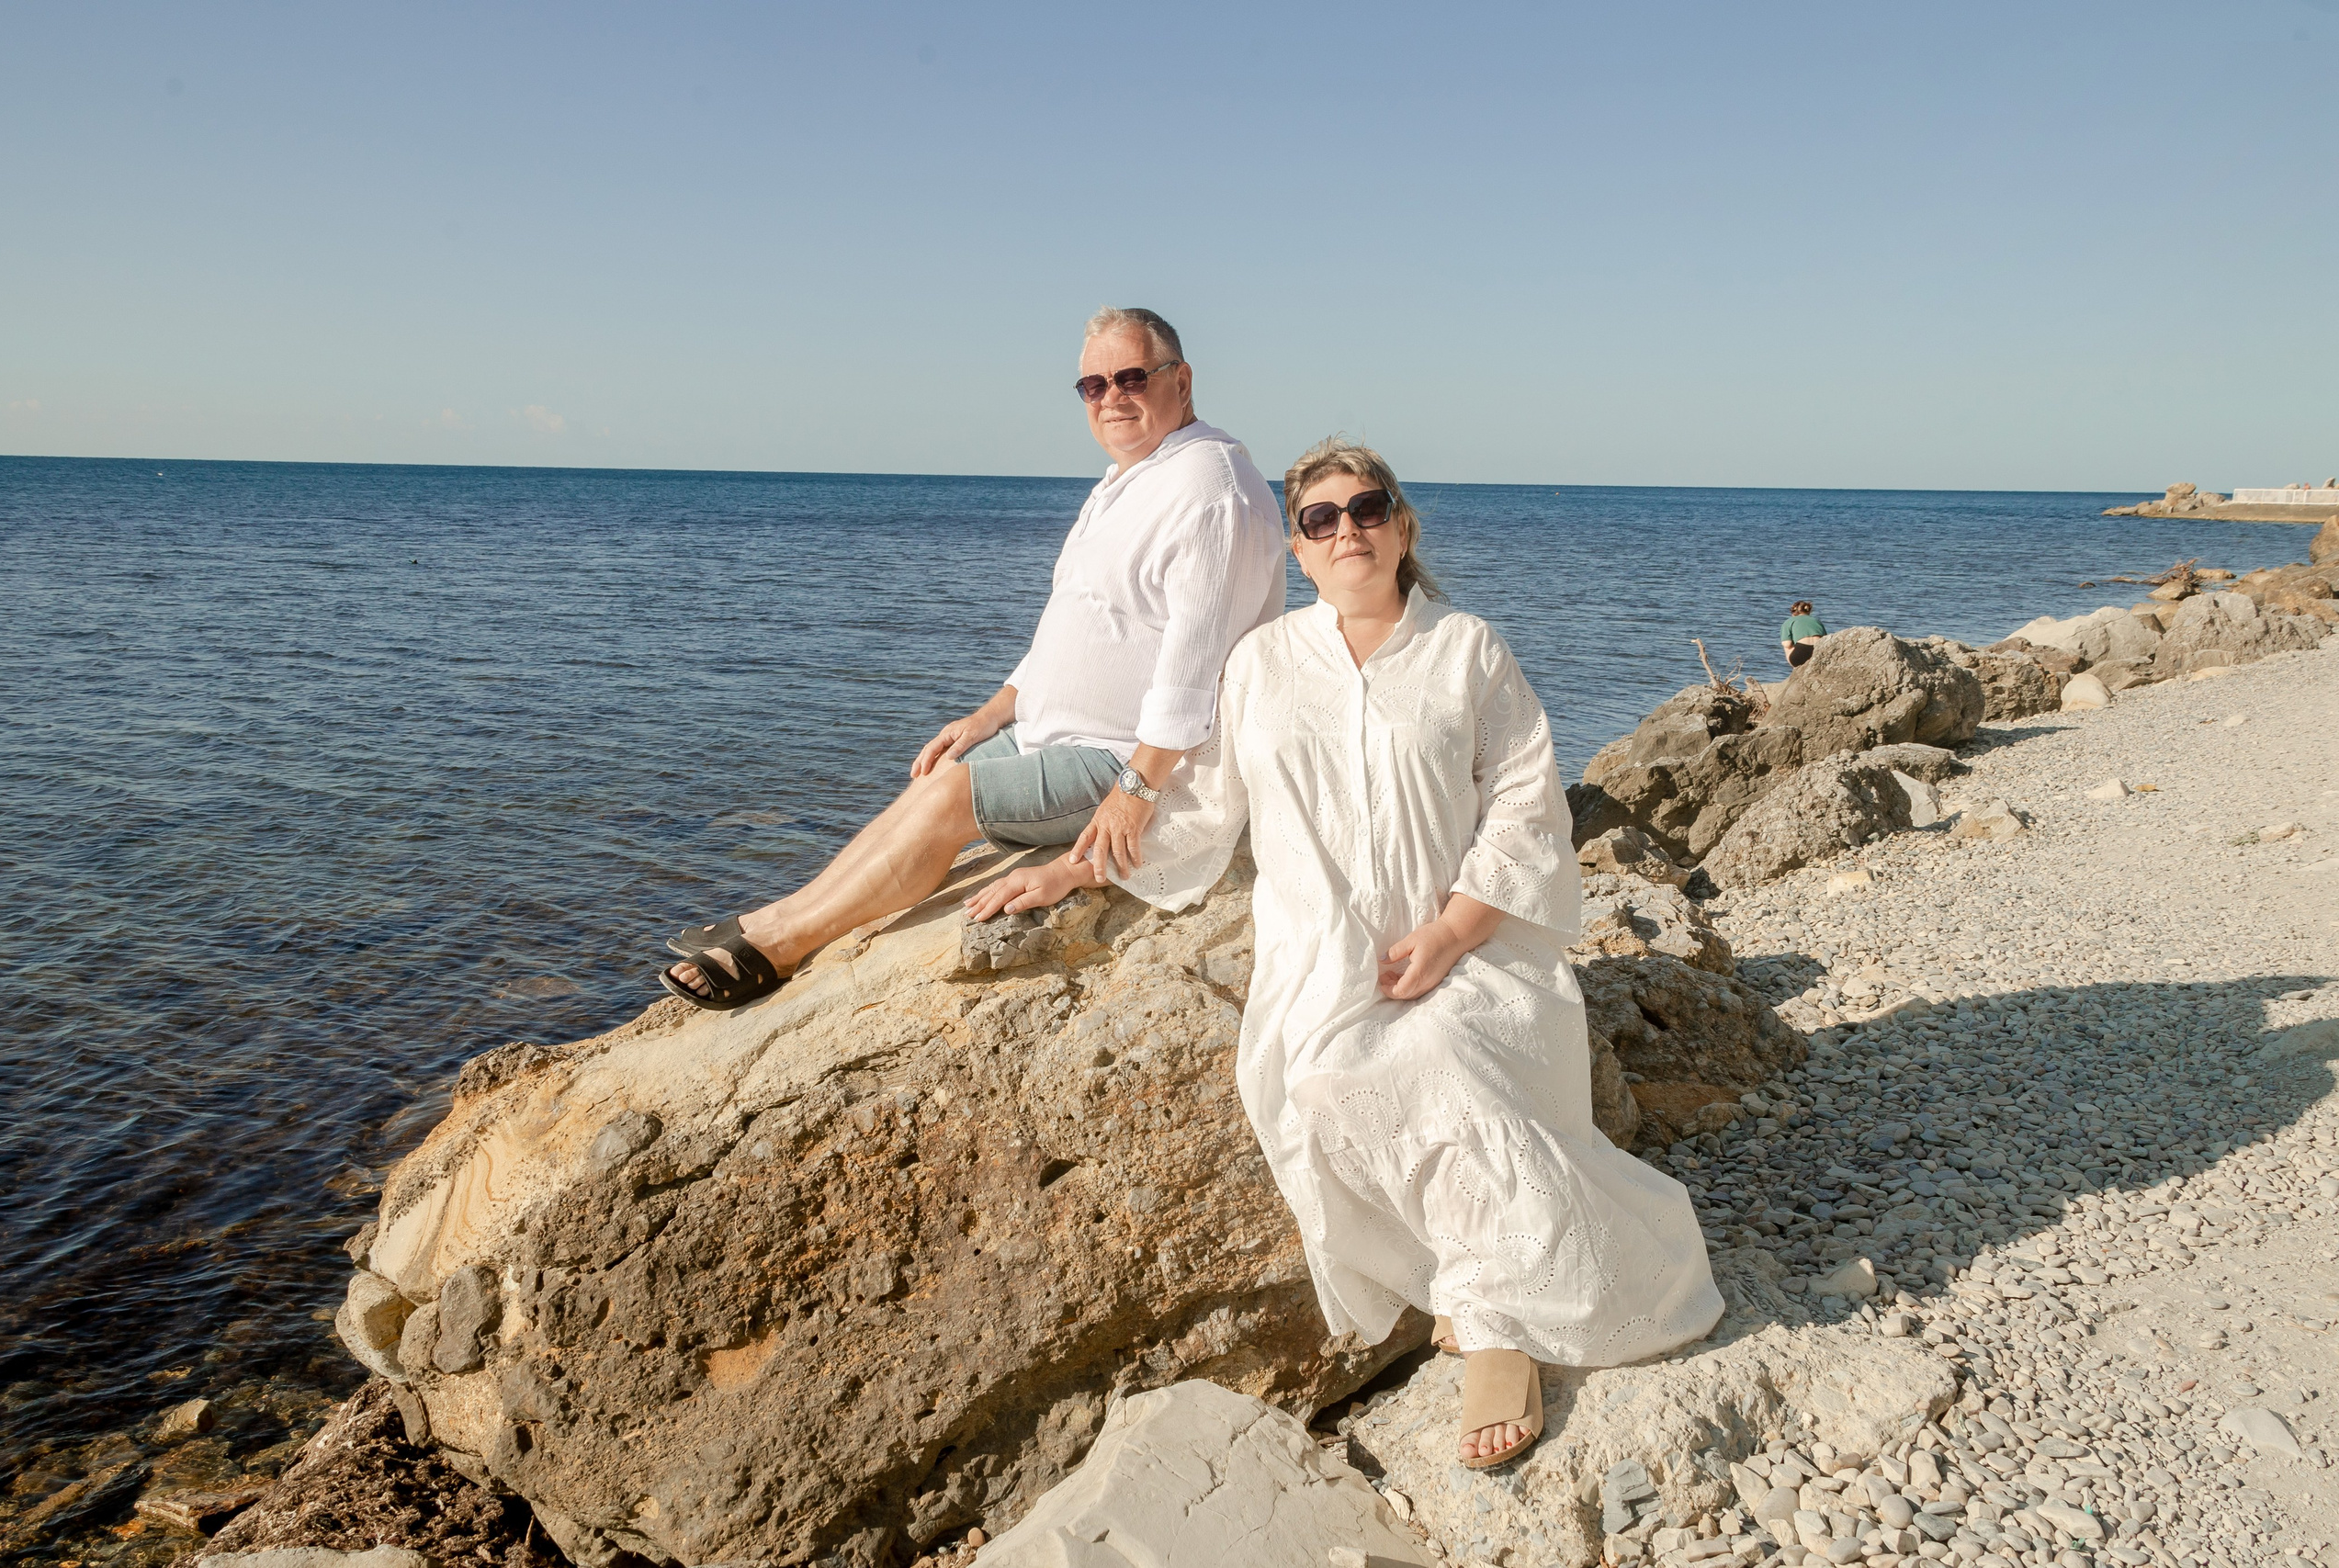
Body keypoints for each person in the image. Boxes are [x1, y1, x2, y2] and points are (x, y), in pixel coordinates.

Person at [965, 437, 1721, 1470]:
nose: (1346, 530)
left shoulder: (1467, 648)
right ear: (1298, 550)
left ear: (1401, 526)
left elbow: (1524, 806)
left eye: (1366, 509)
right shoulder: (1262, 662)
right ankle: (1485, 1284)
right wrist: (1072, 869)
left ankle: (1493, 1326)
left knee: (1447, 1060)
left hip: (1475, 942)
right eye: (1320, 520)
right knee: (1323, 1082)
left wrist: (1451, 931)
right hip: (1323, 954)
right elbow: (1202, 807)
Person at [660, 308, 1285, 1009]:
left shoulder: (1209, 487)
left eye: (1132, 377)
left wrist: (1134, 795)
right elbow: (1077, 625)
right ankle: (777, 915)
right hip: (1058, 733)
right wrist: (989, 714)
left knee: (949, 799)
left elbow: (1193, 672)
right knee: (936, 776)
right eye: (1093, 385)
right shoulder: (1130, 479)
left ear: (1182, 381)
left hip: (1125, 756)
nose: (1111, 397)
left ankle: (779, 946)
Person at [1780, 600, 1826, 668]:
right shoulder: (1817, 621)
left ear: (1793, 612)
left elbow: (1787, 644)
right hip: (1818, 652)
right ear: (1809, 611)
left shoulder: (1789, 621)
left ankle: (1796, 669)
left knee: (1786, 645)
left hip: (1800, 655)